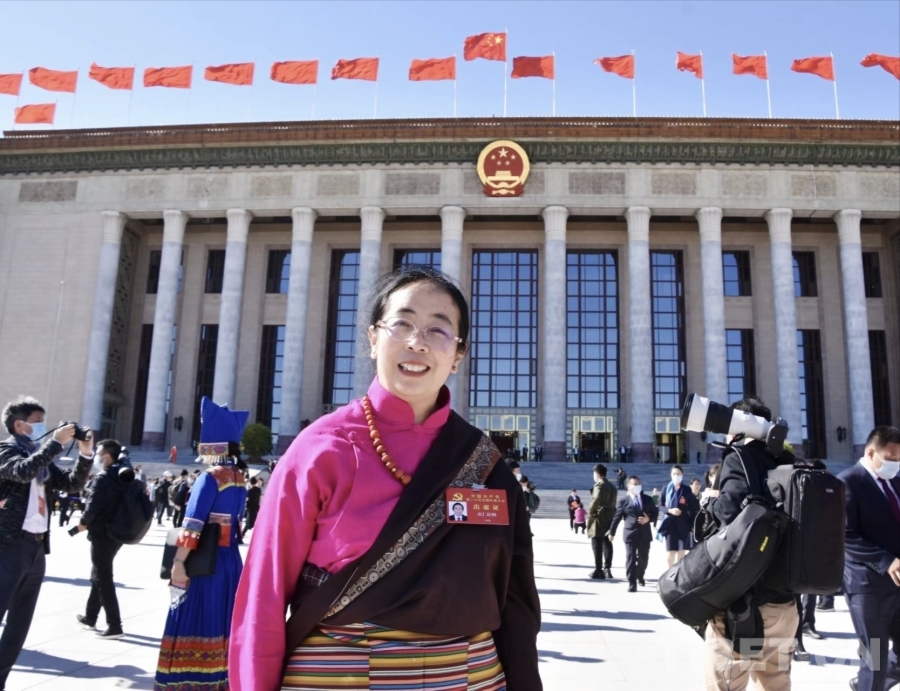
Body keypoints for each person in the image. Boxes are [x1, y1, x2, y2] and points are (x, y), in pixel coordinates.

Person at [229, 266, 541, 691]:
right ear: (374, 338)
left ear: (458, 355)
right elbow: (263, 593)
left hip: (469, 678)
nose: (417, 342)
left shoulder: (486, 464)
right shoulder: (321, 449)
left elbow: (515, 600)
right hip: (340, 679)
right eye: (402, 324)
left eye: (438, 330)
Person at [703, 396, 798, 691]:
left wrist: (710, 502)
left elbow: (727, 514)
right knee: (775, 685)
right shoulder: (787, 461)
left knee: (726, 685)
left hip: (744, 611)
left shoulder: (739, 458)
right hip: (784, 606)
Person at [155, 397, 249, 691]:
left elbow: (192, 524)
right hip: (230, 560)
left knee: (192, 617)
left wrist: (179, 562)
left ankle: (188, 681)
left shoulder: (210, 478)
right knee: (221, 621)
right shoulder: (239, 478)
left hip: (204, 562)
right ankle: (218, 680)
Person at [0, 396, 94, 690]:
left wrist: (85, 454)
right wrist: (54, 443)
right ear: (20, 425)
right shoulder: (6, 450)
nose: (44, 426)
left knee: (19, 624)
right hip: (9, 545)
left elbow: (71, 483)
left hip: (36, 547)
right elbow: (22, 471)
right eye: (38, 422)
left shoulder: (39, 456)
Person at [838, 425, 900, 691]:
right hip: (867, 587)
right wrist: (886, 561)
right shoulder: (847, 482)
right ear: (872, 452)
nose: (895, 464)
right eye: (891, 458)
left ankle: (872, 681)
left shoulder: (895, 482)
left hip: (897, 586)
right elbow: (845, 535)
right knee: (873, 659)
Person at [74, 439, 132, 639]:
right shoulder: (122, 476)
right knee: (98, 573)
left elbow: (93, 506)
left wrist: (81, 524)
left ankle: (115, 625)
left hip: (102, 533)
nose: (97, 457)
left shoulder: (103, 478)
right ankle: (90, 617)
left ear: (106, 456)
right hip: (117, 532)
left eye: (98, 453)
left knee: (103, 577)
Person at [609, 476, 658, 592]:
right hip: (630, 533)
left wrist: (649, 519)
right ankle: (632, 583)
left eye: (638, 484)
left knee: (643, 559)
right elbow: (617, 517)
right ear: (628, 486)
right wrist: (612, 532)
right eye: (634, 484)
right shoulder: (623, 501)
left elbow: (655, 514)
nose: (637, 486)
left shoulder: (647, 499)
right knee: (630, 558)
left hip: (644, 534)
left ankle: (640, 575)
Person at [656, 465, 700, 568]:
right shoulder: (665, 489)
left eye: (678, 474)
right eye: (674, 474)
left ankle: (679, 574)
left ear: (682, 475)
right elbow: (660, 506)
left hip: (683, 525)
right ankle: (671, 573)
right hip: (669, 525)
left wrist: (694, 524)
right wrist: (670, 510)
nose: (676, 476)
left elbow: (693, 508)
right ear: (671, 475)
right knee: (670, 554)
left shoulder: (686, 490)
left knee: (681, 554)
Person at [588, 463, 617, 580]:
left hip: (599, 516)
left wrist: (591, 513)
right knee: (607, 542)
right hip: (610, 515)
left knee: (596, 543)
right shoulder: (612, 486)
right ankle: (607, 568)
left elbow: (596, 500)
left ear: (597, 474)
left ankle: (598, 569)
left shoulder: (599, 485)